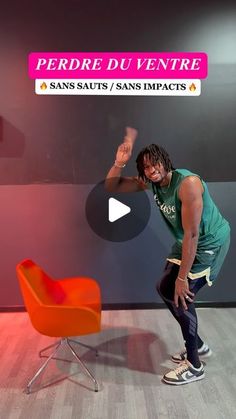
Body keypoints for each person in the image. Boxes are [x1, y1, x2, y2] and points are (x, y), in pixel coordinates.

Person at [105, 127, 230, 385]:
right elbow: (111, 186)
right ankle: (197, 344)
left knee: (180, 294)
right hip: (187, 240)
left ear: (165, 160)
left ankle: (195, 365)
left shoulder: (188, 184)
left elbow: (193, 235)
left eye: (155, 164)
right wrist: (119, 162)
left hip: (209, 242)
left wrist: (183, 277)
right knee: (164, 287)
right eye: (147, 168)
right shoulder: (152, 183)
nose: (152, 170)